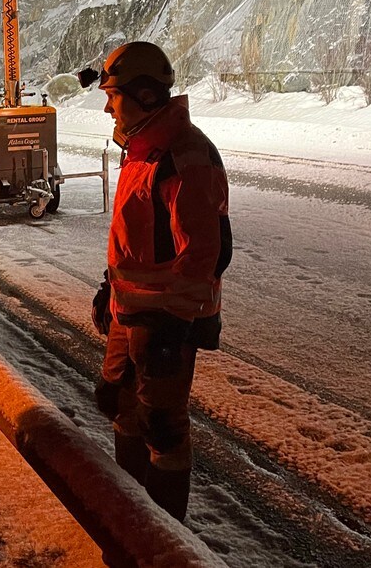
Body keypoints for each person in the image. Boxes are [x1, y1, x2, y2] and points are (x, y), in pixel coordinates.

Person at [88, 41, 232, 521]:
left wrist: (174, 324)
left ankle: (164, 538)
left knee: (162, 425)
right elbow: (137, 238)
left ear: (146, 96)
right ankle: (130, 519)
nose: (108, 106)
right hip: (131, 310)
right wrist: (112, 290)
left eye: (114, 95)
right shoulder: (142, 150)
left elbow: (206, 253)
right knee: (118, 403)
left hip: (166, 317)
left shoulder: (183, 155)